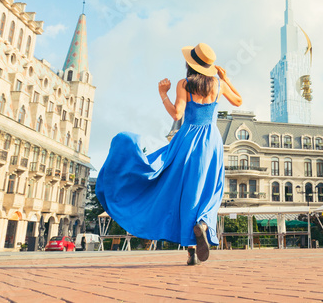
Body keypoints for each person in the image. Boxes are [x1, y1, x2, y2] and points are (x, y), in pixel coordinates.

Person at [96, 43, 242, 265]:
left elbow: (177, 113)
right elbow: (238, 101)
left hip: (187, 141)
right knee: (211, 190)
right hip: (211, 142)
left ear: (190, 64)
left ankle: (191, 250)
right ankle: (202, 224)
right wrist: (226, 78)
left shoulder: (185, 84)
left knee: (180, 192)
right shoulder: (218, 85)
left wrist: (162, 94)